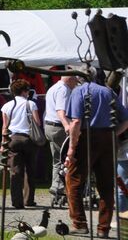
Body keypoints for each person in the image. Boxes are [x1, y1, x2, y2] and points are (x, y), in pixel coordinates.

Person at [65, 71, 128, 236]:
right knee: (106, 185)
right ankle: (103, 228)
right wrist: (114, 134)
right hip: (107, 138)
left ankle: (79, 223)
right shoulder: (108, 92)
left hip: (86, 137)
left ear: (79, 78)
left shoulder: (79, 91)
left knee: (74, 181)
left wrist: (72, 148)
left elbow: (76, 121)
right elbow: (126, 119)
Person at [1, 79, 39, 209]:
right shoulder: (31, 104)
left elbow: (4, 126)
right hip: (28, 138)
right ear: (24, 91)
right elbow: (37, 122)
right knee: (30, 170)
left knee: (15, 171)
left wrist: (3, 143)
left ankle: (17, 201)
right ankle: (29, 199)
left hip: (13, 139)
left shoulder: (7, 106)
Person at [44, 72, 78, 198]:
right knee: (67, 159)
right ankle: (63, 188)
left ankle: (56, 186)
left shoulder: (53, 88)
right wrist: (67, 126)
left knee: (57, 160)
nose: (75, 85)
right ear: (70, 79)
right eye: (75, 81)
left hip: (49, 126)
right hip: (59, 127)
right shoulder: (64, 90)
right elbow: (61, 111)